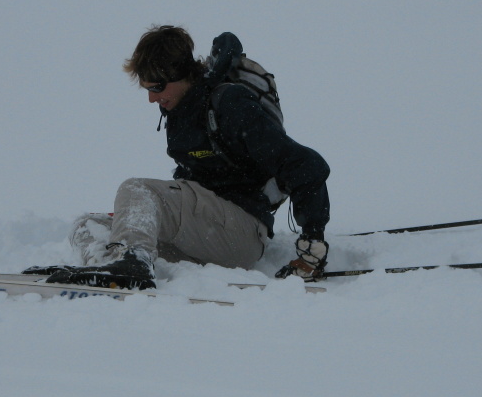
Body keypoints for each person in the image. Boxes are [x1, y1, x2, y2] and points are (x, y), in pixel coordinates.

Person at [23, 25, 330, 289]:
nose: (151, 97)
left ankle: (132, 265)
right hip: (208, 234)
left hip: (241, 229)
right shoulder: (181, 111)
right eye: (145, 88)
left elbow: (307, 166)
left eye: (157, 86)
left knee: (137, 190)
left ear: (182, 74)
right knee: (89, 225)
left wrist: (312, 245)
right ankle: (109, 268)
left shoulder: (230, 104)